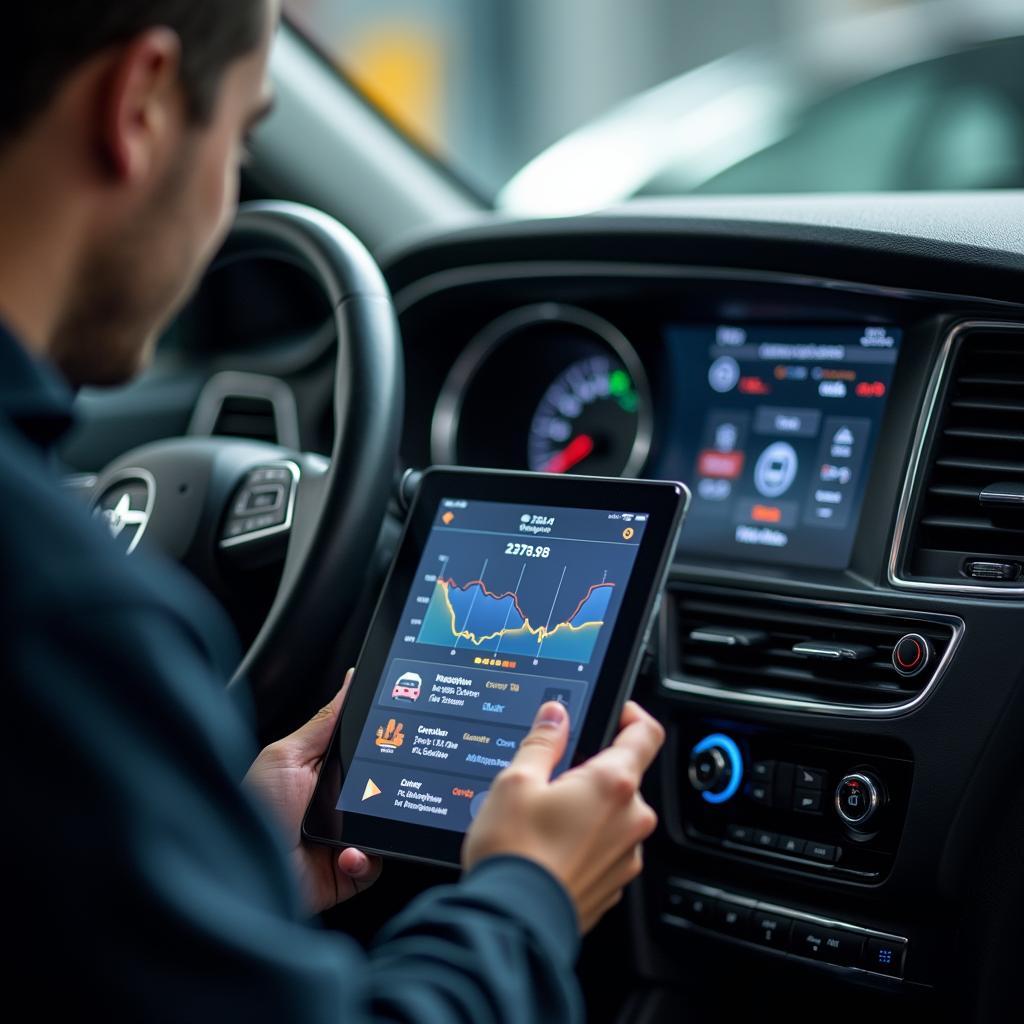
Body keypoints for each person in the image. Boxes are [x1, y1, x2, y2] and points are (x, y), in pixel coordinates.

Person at [0, 2, 665, 1020]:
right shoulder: (64, 619)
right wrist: (526, 894)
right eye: (244, 133)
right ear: (135, 105)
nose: (228, 193)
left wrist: (210, 850)